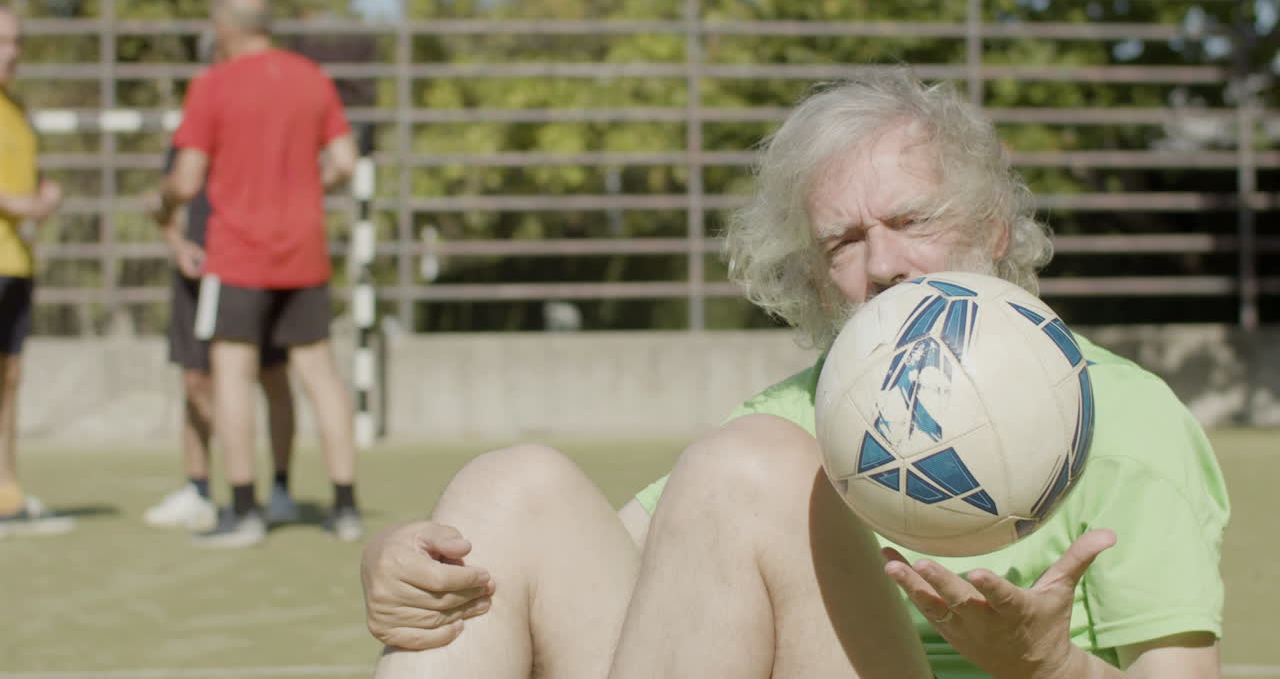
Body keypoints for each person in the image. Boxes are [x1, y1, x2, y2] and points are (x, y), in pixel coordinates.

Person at [359, 68, 1229, 678]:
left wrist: (1053, 668)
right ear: (816, 279)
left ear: (994, 228)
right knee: (514, 488)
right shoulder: (791, 419)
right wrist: (402, 562)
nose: (884, 264)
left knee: (754, 464)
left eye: (912, 218)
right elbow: (599, 572)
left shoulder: (1122, 415)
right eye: (844, 242)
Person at [158, 0, 360, 548]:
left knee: (232, 376)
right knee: (320, 375)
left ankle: (243, 511)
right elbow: (345, 161)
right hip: (305, 251)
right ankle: (344, 507)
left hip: (239, 252)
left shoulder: (213, 84)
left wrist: (163, 204)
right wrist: (305, 190)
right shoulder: (312, 78)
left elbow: (187, 179)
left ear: (226, 24)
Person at [143, 141, 301, 532]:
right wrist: (179, 247)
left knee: (272, 374)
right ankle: (198, 490)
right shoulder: (187, 141)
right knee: (195, 380)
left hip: (254, 273)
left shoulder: (257, 136)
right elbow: (167, 202)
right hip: (197, 279)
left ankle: (280, 489)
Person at [0, 5, 72, 538]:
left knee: (9, 379)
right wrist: (20, 203)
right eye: (3, 41)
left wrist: (45, 194)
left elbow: (28, 178)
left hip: (16, 264)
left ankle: (7, 494)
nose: (12, 52)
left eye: (17, 41)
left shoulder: (17, 111)